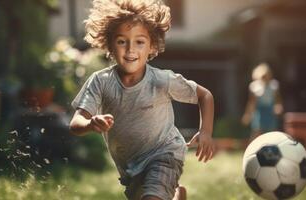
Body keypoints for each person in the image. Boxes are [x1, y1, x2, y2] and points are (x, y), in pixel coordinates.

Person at [69, 0, 215, 199]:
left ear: (151, 46)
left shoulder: (161, 80)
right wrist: (89, 123)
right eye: (122, 41)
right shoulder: (101, 82)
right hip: (131, 167)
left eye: (139, 41)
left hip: (165, 153)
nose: (130, 49)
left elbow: (205, 95)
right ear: (109, 44)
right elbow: (75, 123)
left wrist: (205, 132)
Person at [242, 63, 283, 141]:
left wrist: (278, 106)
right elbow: (252, 102)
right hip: (259, 111)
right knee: (257, 131)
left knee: (271, 131)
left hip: (270, 111)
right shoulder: (254, 87)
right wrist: (248, 114)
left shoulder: (274, 85)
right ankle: (253, 148)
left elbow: (278, 99)